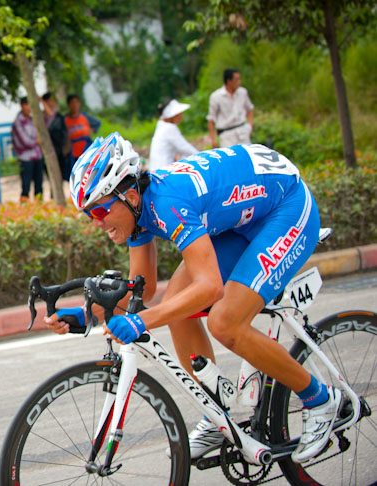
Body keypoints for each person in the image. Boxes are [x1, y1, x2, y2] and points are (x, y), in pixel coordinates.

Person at [46, 132, 341, 464]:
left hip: (285, 208)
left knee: (225, 321)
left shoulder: (169, 203)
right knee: (178, 303)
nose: (96, 224)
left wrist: (141, 321)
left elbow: (210, 288)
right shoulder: (138, 210)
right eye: (89, 215)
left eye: (99, 212)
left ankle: (320, 400)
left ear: (128, 194)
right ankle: (219, 416)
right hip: (245, 217)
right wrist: (86, 314)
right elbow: (143, 285)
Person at [207, 68, 255, 148]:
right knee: (231, 158)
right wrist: (213, 139)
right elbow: (211, 119)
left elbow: (249, 109)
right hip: (226, 135)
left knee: (246, 156)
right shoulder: (216, 96)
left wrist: (250, 126)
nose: (239, 82)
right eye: (237, 80)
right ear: (229, 81)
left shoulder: (242, 92)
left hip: (243, 131)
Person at [148, 98, 198, 172]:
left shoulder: (162, 125)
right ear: (172, 116)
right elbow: (184, 148)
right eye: (179, 113)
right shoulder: (169, 128)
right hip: (162, 170)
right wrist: (201, 156)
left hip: (155, 169)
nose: (181, 115)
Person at [12, 97, 44, 201]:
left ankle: (40, 207)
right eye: (26, 104)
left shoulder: (33, 119)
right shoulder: (18, 122)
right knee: (26, 185)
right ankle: (25, 208)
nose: (28, 107)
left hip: (38, 156)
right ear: (22, 105)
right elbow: (25, 142)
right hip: (25, 158)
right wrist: (37, 141)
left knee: (39, 185)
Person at [64, 94, 101, 179]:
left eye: (77, 102)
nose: (75, 105)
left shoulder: (84, 116)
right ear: (68, 105)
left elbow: (97, 123)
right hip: (73, 154)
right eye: (72, 103)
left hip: (86, 151)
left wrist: (91, 130)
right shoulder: (65, 120)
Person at [41, 92, 72, 181]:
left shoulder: (59, 117)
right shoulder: (40, 118)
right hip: (47, 151)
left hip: (60, 152)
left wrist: (66, 147)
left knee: (61, 176)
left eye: (54, 101)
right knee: (51, 177)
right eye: (51, 100)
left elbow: (65, 133)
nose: (53, 103)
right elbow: (50, 116)